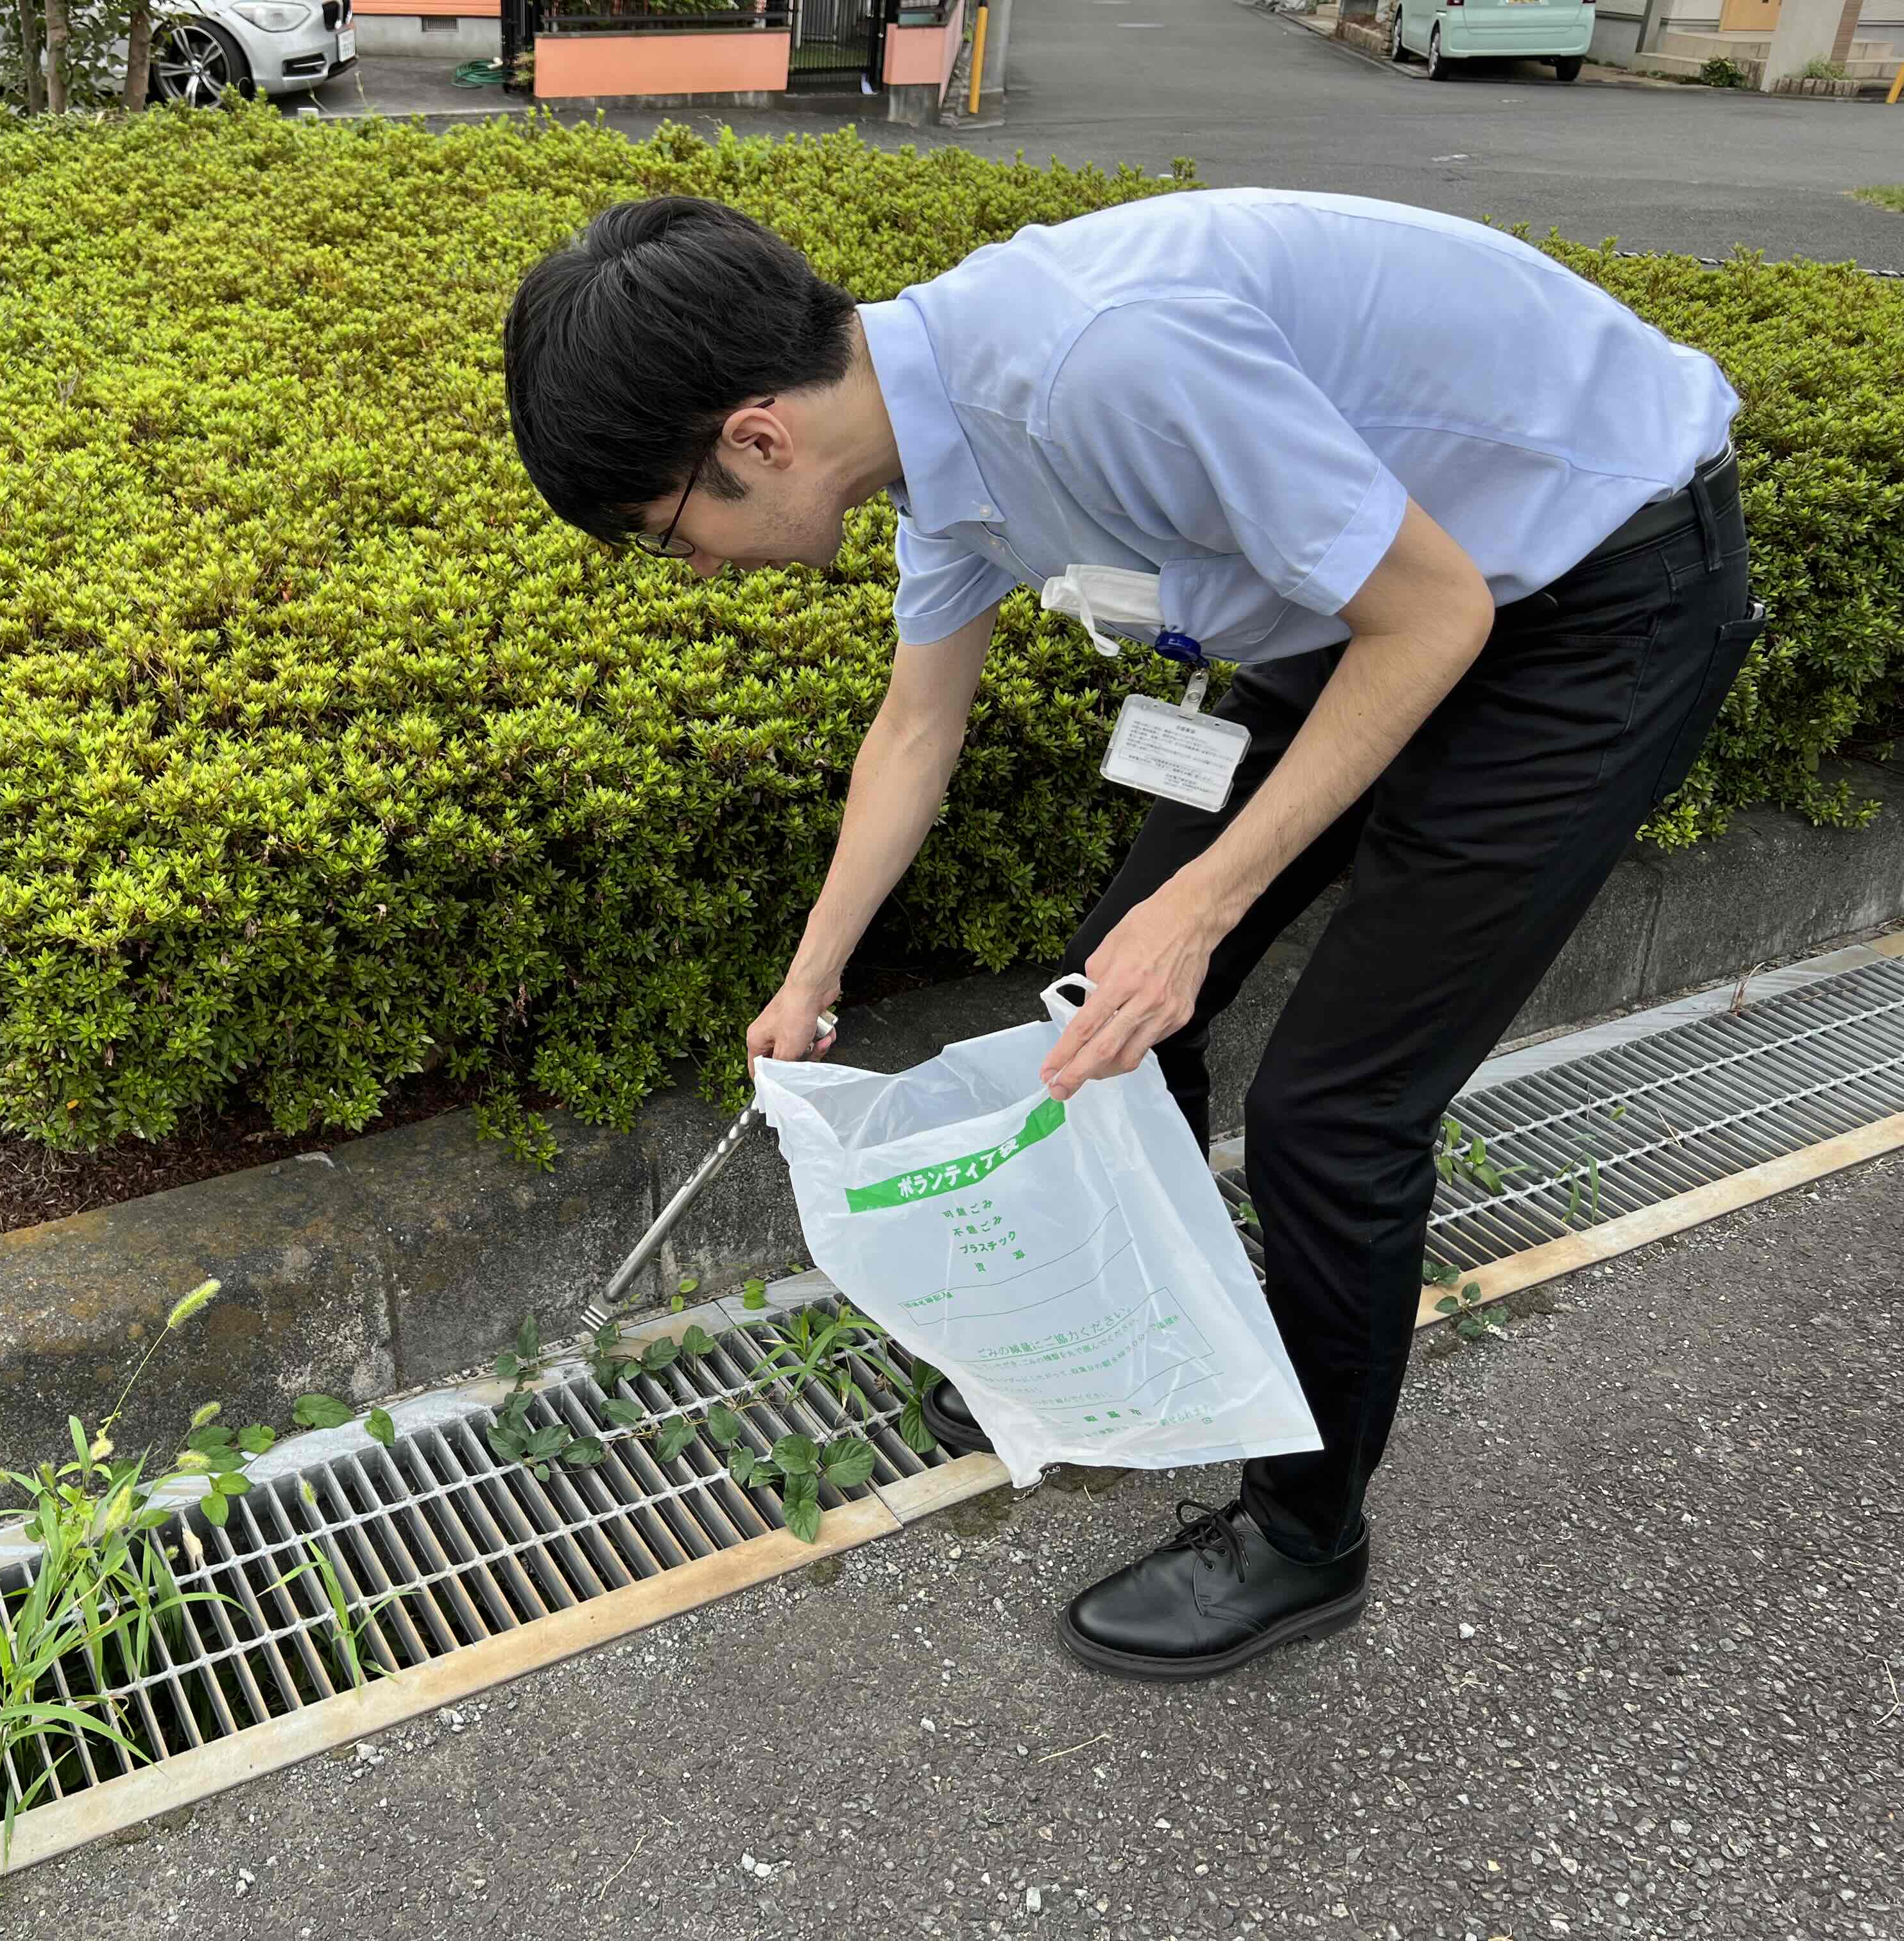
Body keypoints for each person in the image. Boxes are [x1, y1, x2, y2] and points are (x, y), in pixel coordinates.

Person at [501, 185, 1762, 1683]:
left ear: (757, 438)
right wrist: (812, 971)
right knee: (1104, 1006)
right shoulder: (933, 443)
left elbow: (1432, 622)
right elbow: (918, 726)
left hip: (1586, 599)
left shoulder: (1100, 367)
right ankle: (1130, 1355)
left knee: (1334, 1114)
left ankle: (1306, 1537)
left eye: (671, 534)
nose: (696, 570)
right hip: (1356, 603)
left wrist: (1208, 904)